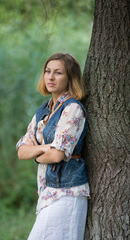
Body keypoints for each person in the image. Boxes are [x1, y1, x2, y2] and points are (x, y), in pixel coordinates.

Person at [16, 53, 90, 240]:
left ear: (70, 78)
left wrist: (38, 151)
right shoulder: (44, 110)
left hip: (66, 192)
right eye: (48, 71)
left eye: (58, 73)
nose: (50, 77)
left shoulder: (72, 109)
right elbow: (21, 150)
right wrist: (43, 148)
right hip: (47, 192)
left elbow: (57, 155)